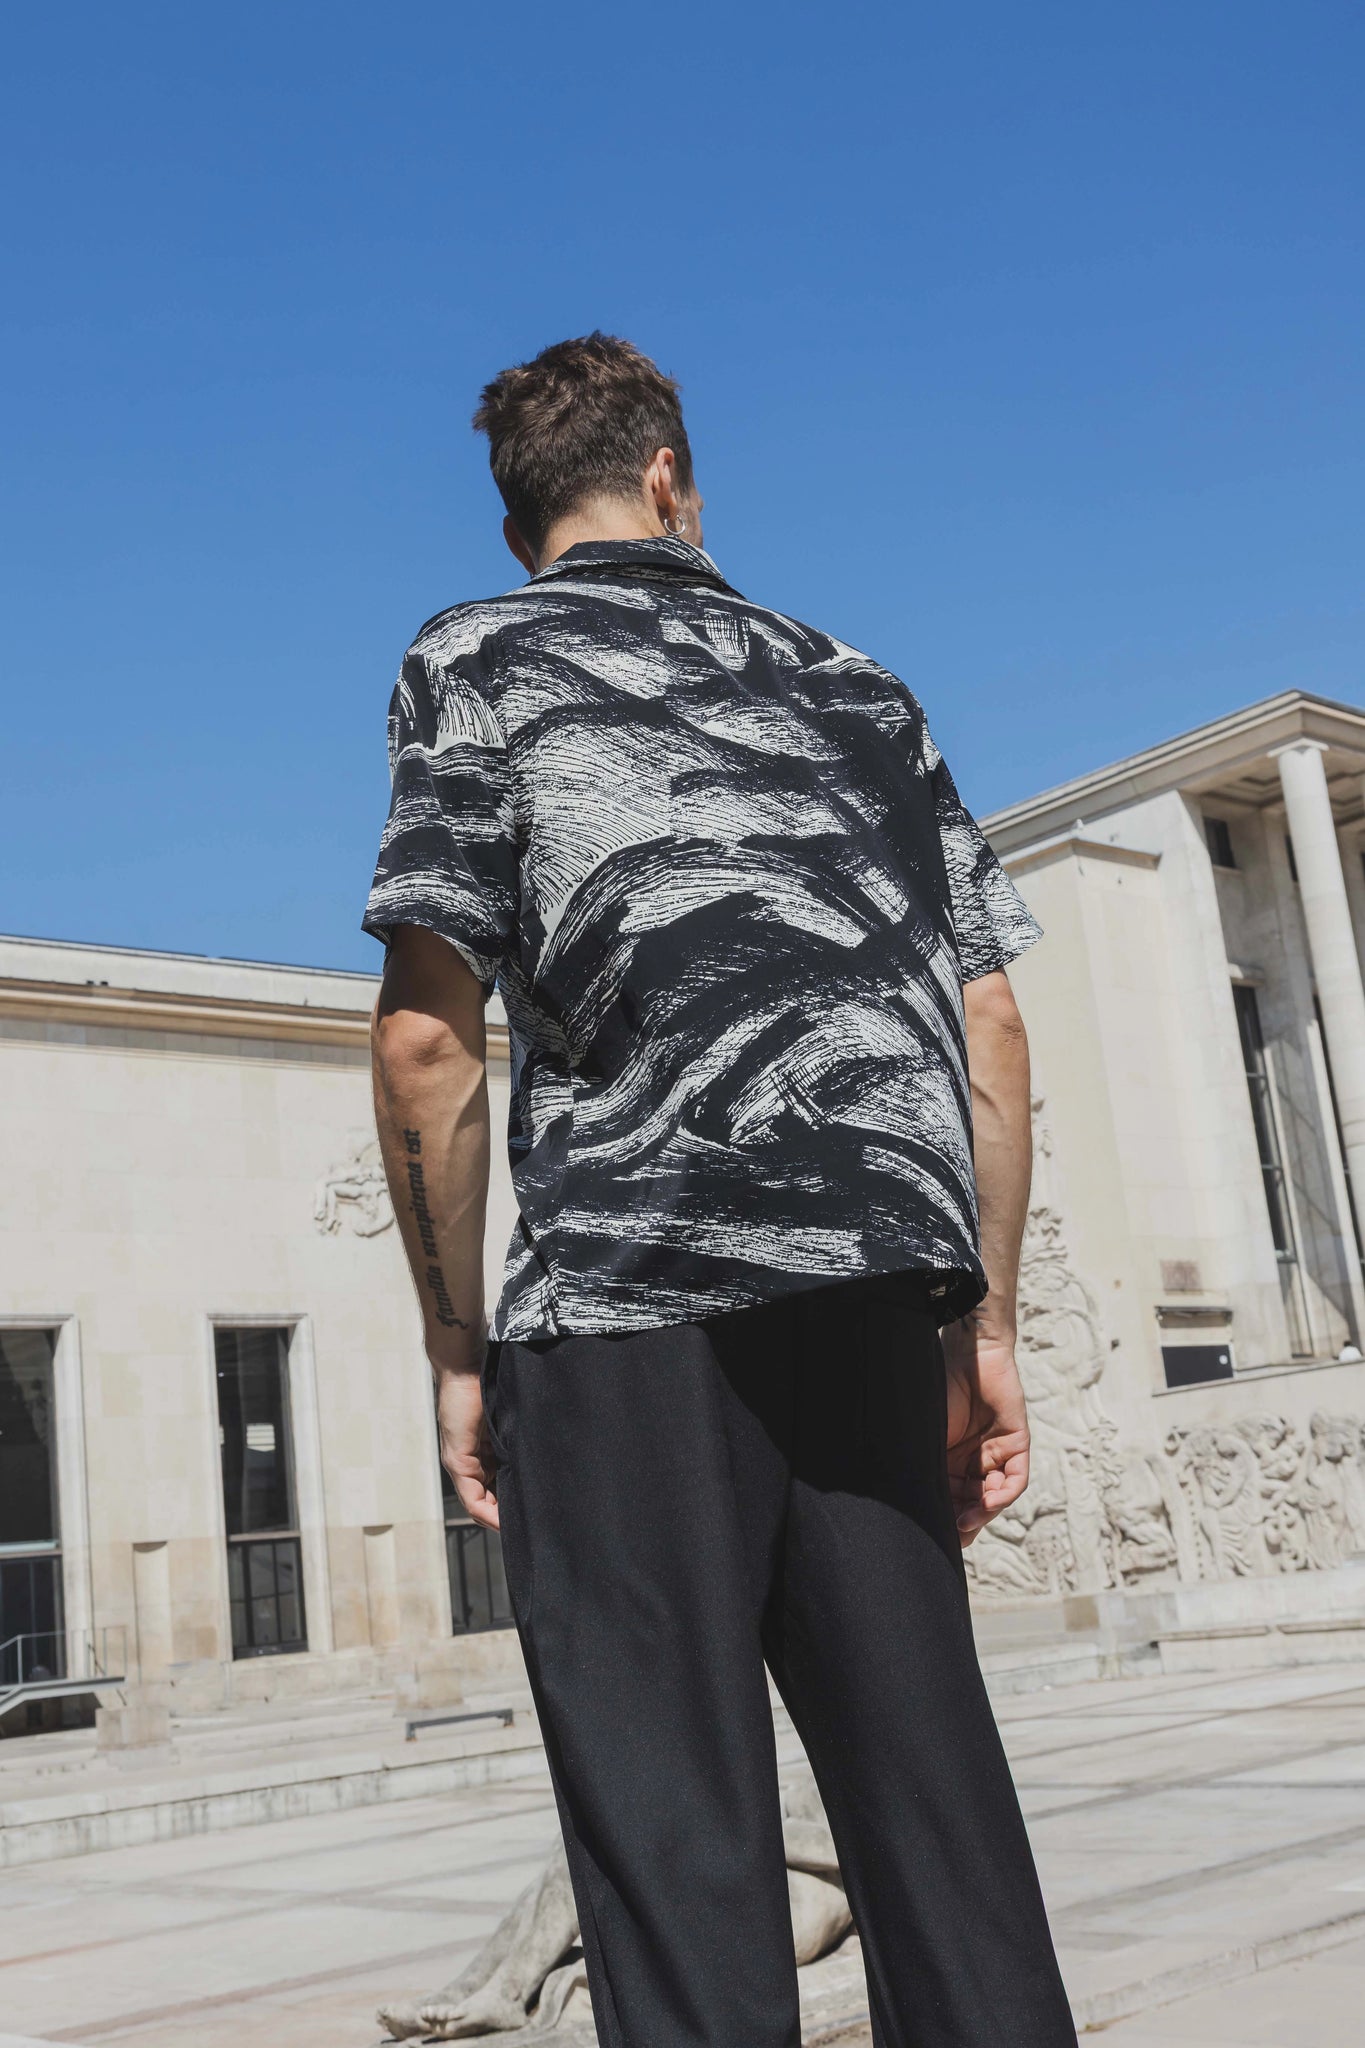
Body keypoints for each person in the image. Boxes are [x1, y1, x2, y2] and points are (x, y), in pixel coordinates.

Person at [365, 332, 1076, 2047]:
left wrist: (456, 1348)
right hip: (874, 1305)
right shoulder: (860, 685)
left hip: (623, 1317)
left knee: (672, 1853)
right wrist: (982, 1331)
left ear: (518, 517)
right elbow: (989, 1024)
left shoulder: (474, 656)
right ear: (669, 476)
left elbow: (426, 1042)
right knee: (937, 1818)